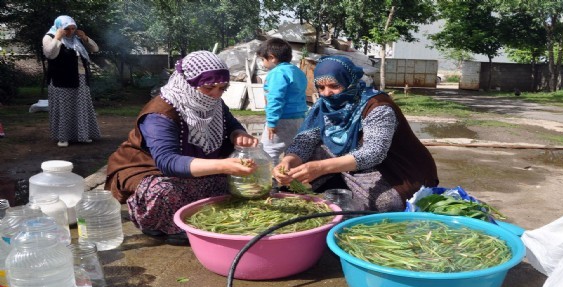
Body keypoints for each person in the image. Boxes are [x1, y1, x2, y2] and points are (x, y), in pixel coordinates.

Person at [104, 51, 259, 245]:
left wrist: (238, 134)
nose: (216, 94)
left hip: (196, 164)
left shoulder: (214, 104)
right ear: (187, 83)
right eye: (210, 87)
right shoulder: (160, 114)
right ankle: (159, 224)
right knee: (164, 192)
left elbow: (230, 122)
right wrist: (224, 166)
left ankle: (192, 216)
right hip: (150, 168)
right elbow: (168, 162)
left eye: (222, 88)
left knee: (242, 184)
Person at [272, 55, 439, 212]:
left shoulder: (377, 107)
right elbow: (306, 140)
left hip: (393, 167)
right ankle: (338, 186)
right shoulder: (323, 106)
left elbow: (374, 153)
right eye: (321, 87)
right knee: (295, 178)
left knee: (384, 203)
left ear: (349, 82)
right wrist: (288, 161)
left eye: (334, 86)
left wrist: (321, 168)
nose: (326, 93)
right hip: (349, 162)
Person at [43, 15, 101, 148]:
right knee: (65, 109)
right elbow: (50, 54)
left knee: (81, 108)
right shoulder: (50, 37)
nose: (70, 32)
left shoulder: (76, 39)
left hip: (80, 78)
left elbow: (95, 49)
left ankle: (82, 135)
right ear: (59, 28)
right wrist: (58, 38)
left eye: (73, 29)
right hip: (61, 79)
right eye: (67, 29)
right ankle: (63, 138)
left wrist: (85, 38)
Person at [256, 38, 308, 165]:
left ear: (272, 57)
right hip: (299, 119)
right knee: (291, 151)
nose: (263, 64)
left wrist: (272, 122)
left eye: (263, 59)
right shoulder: (297, 71)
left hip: (282, 119)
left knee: (268, 152)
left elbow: (275, 98)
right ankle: (291, 180)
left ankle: (270, 182)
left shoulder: (277, 73)